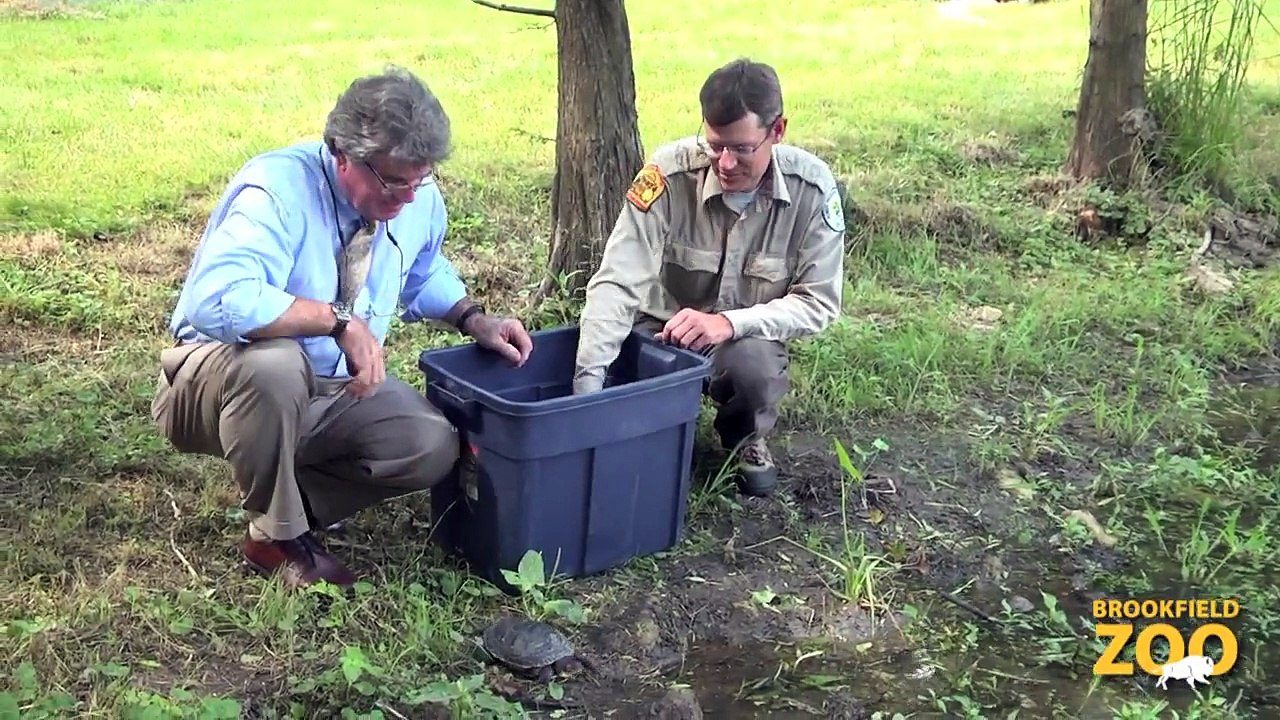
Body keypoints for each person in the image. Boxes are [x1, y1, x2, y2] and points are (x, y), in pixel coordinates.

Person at [150, 65, 534, 589]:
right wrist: (335, 321)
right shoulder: (276, 188)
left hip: (327, 391)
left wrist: (474, 318)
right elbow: (216, 299)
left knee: (430, 443)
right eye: (395, 181)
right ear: (342, 154)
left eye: (420, 180)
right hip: (214, 387)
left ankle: (291, 500)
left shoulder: (416, 200)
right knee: (277, 364)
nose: (408, 198)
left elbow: (423, 272)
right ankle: (277, 537)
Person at [571, 58, 846, 497]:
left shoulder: (811, 190)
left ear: (777, 131)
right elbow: (616, 281)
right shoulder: (668, 174)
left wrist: (728, 323)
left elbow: (820, 303)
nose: (725, 161)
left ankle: (745, 438)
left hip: (740, 339)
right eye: (715, 144)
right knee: (625, 403)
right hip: (659, 332)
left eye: (742, 148)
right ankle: (641, 427)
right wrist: (586, 390)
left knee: (754, 368)